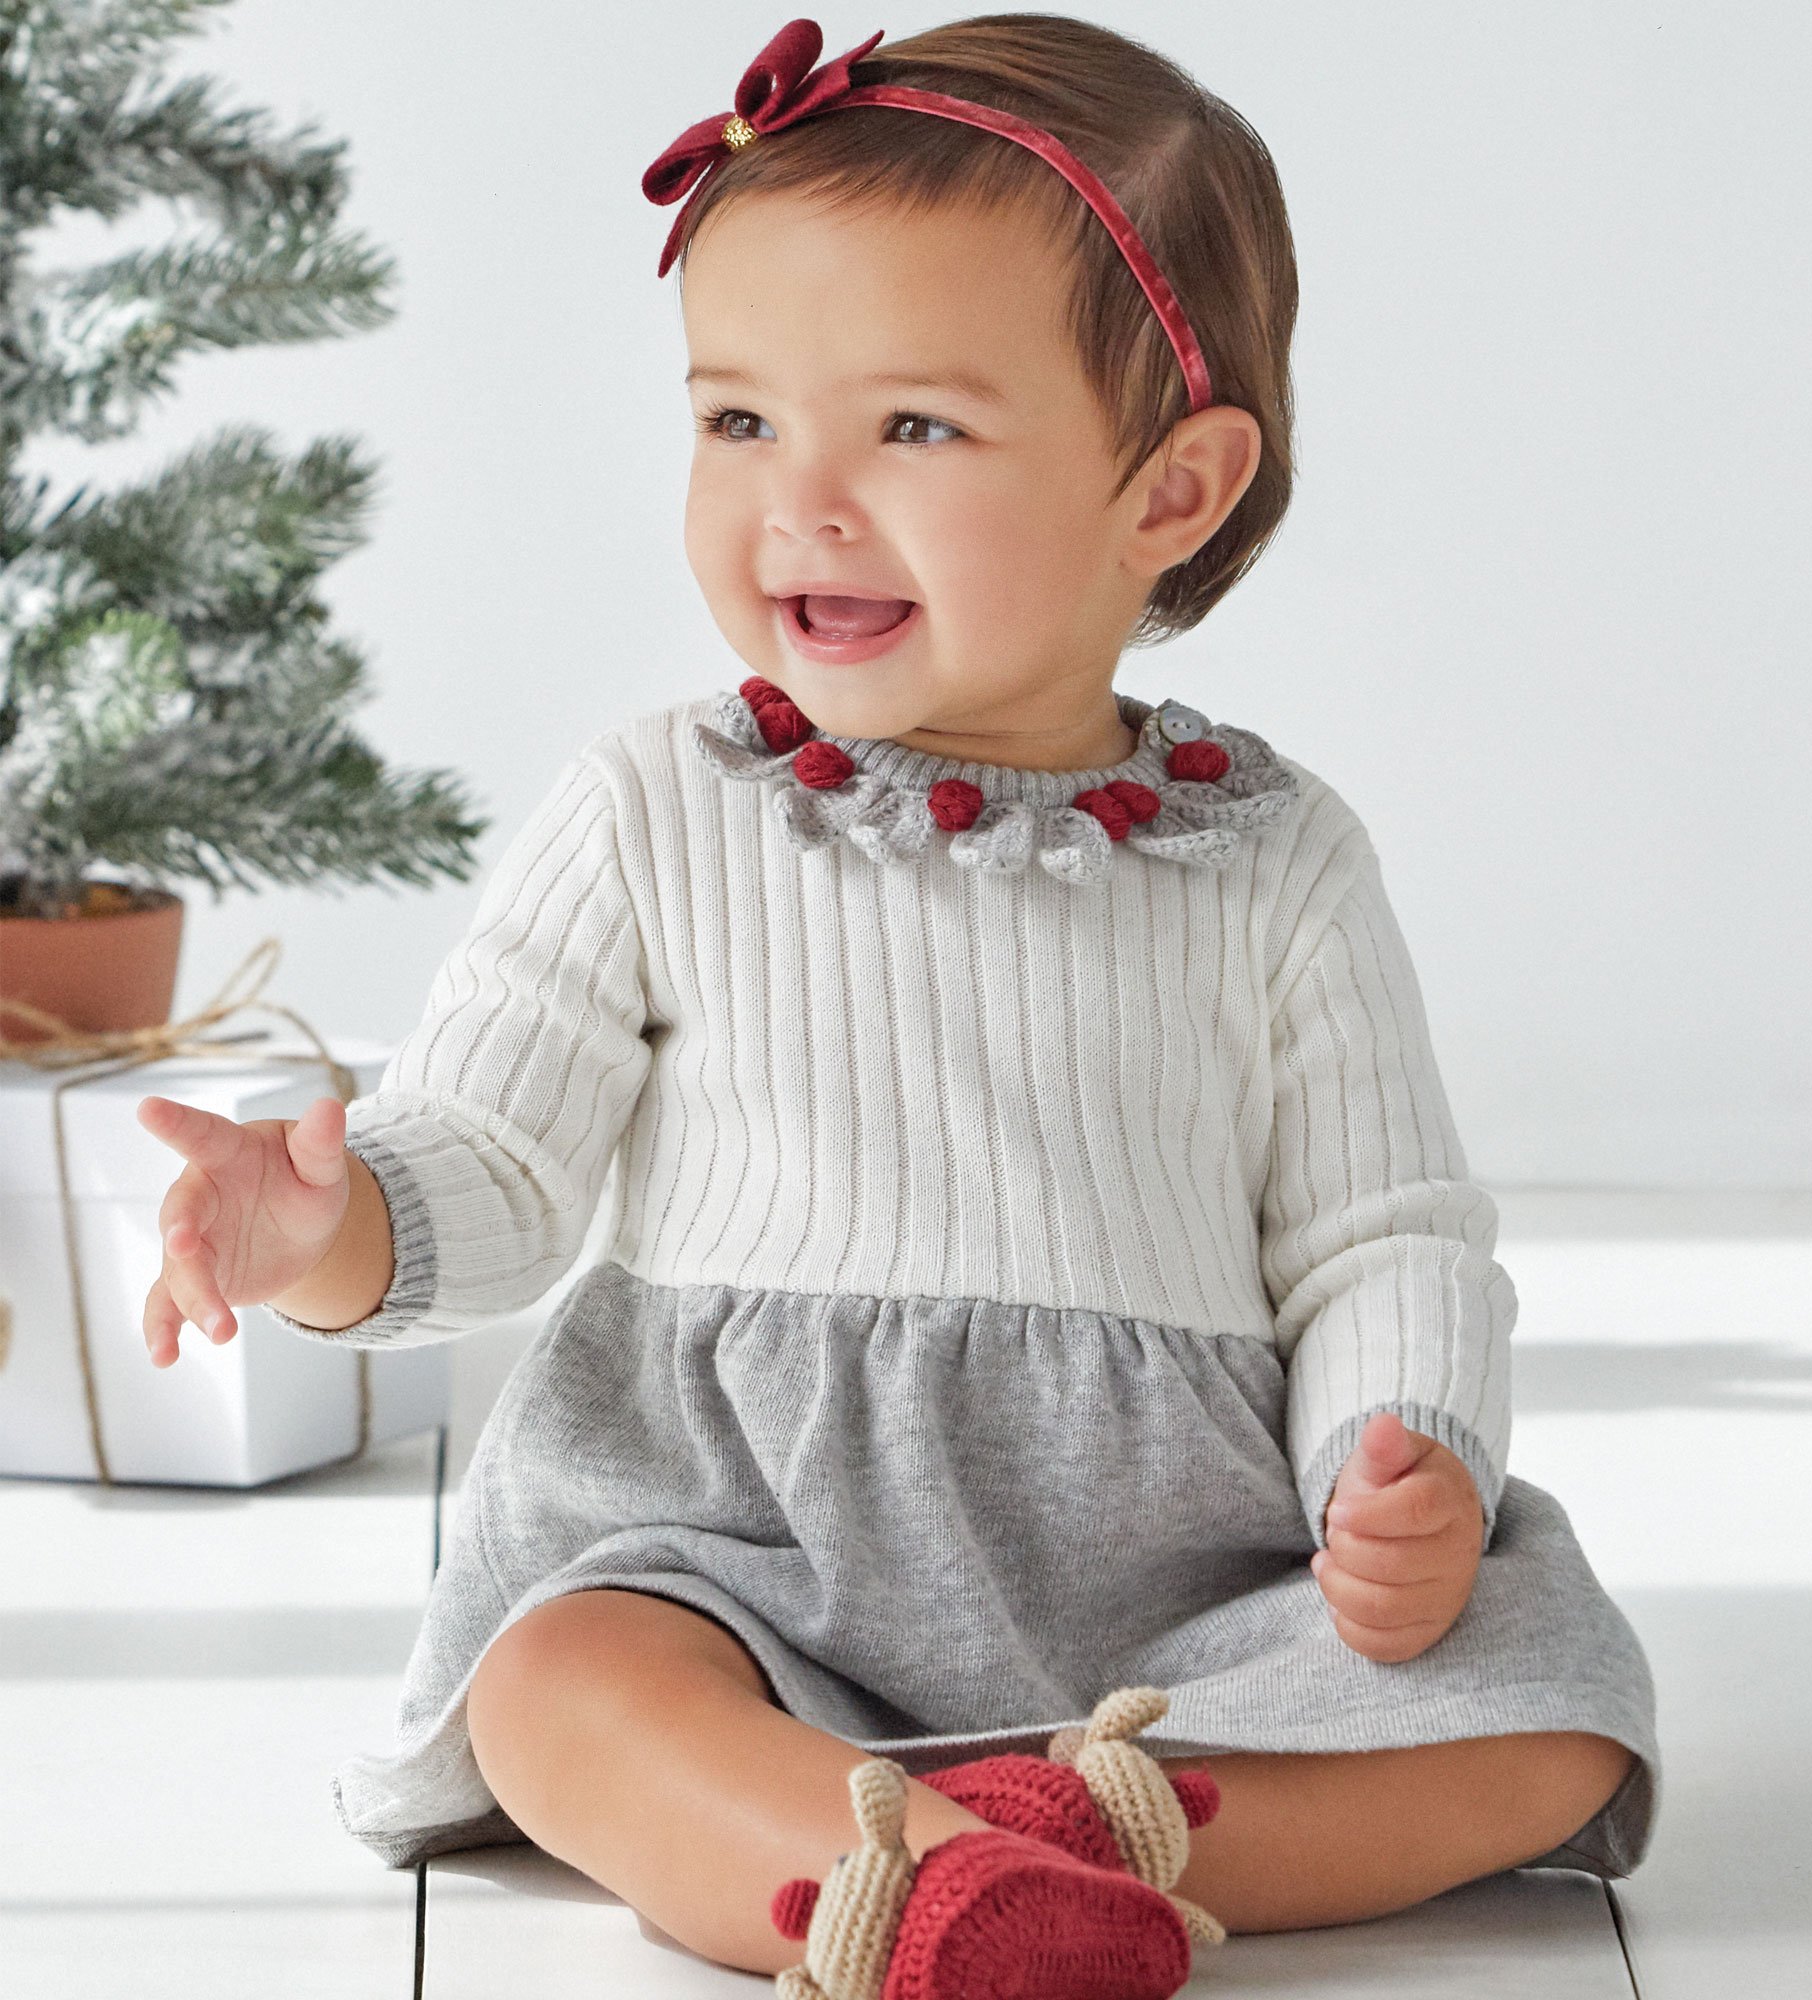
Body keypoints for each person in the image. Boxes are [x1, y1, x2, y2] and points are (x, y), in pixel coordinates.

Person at [135, 15, 1659, 1994]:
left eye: (913, 430)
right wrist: (327, 1225)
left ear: (1170, 493)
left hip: (1183, 1588)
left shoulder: (1274, 859)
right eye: (737, 420)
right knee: (561, 1678)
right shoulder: (656, 810)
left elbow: (1380, 1232)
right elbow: (493, 1157)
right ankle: (898, 1895)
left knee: (1555, 1703)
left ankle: (1121, 1816)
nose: (803, 502)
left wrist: (1401, 1452)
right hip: (740, 1541)